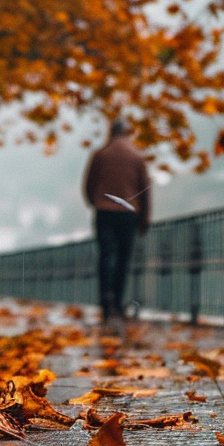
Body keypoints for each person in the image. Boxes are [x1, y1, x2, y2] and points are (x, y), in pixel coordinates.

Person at [83, 118, 150, 323]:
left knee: (106, 255)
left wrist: (96, 203)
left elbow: (88, 185)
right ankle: (118, 304)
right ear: (127, 133)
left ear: (110, 132)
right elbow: (145, 190)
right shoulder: (137, 157)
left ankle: (106, 301)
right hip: (128, 214)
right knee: (123, 258)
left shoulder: (100, 155)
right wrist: (144, 218)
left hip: (104, 211)